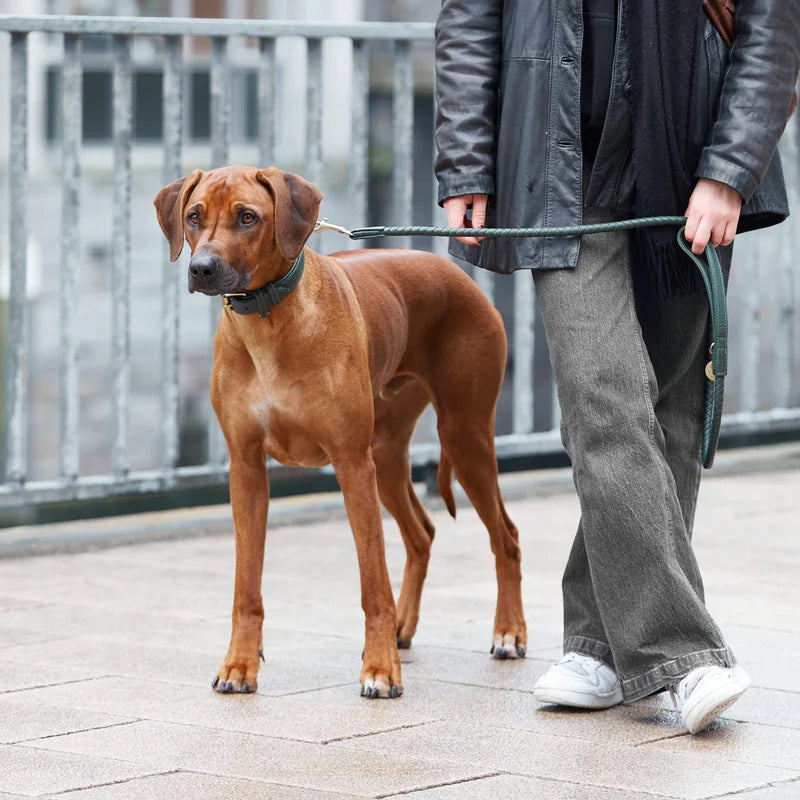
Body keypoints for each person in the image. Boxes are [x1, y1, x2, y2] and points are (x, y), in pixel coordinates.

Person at [434, 0, 800, 734]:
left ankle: (599, 644)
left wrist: (729, 171)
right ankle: (681, 653)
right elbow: (469, 17)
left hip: (689, 160)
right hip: (557, 170)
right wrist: (466, 161)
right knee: (604, 401)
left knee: (671, 413)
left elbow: (771, 26)